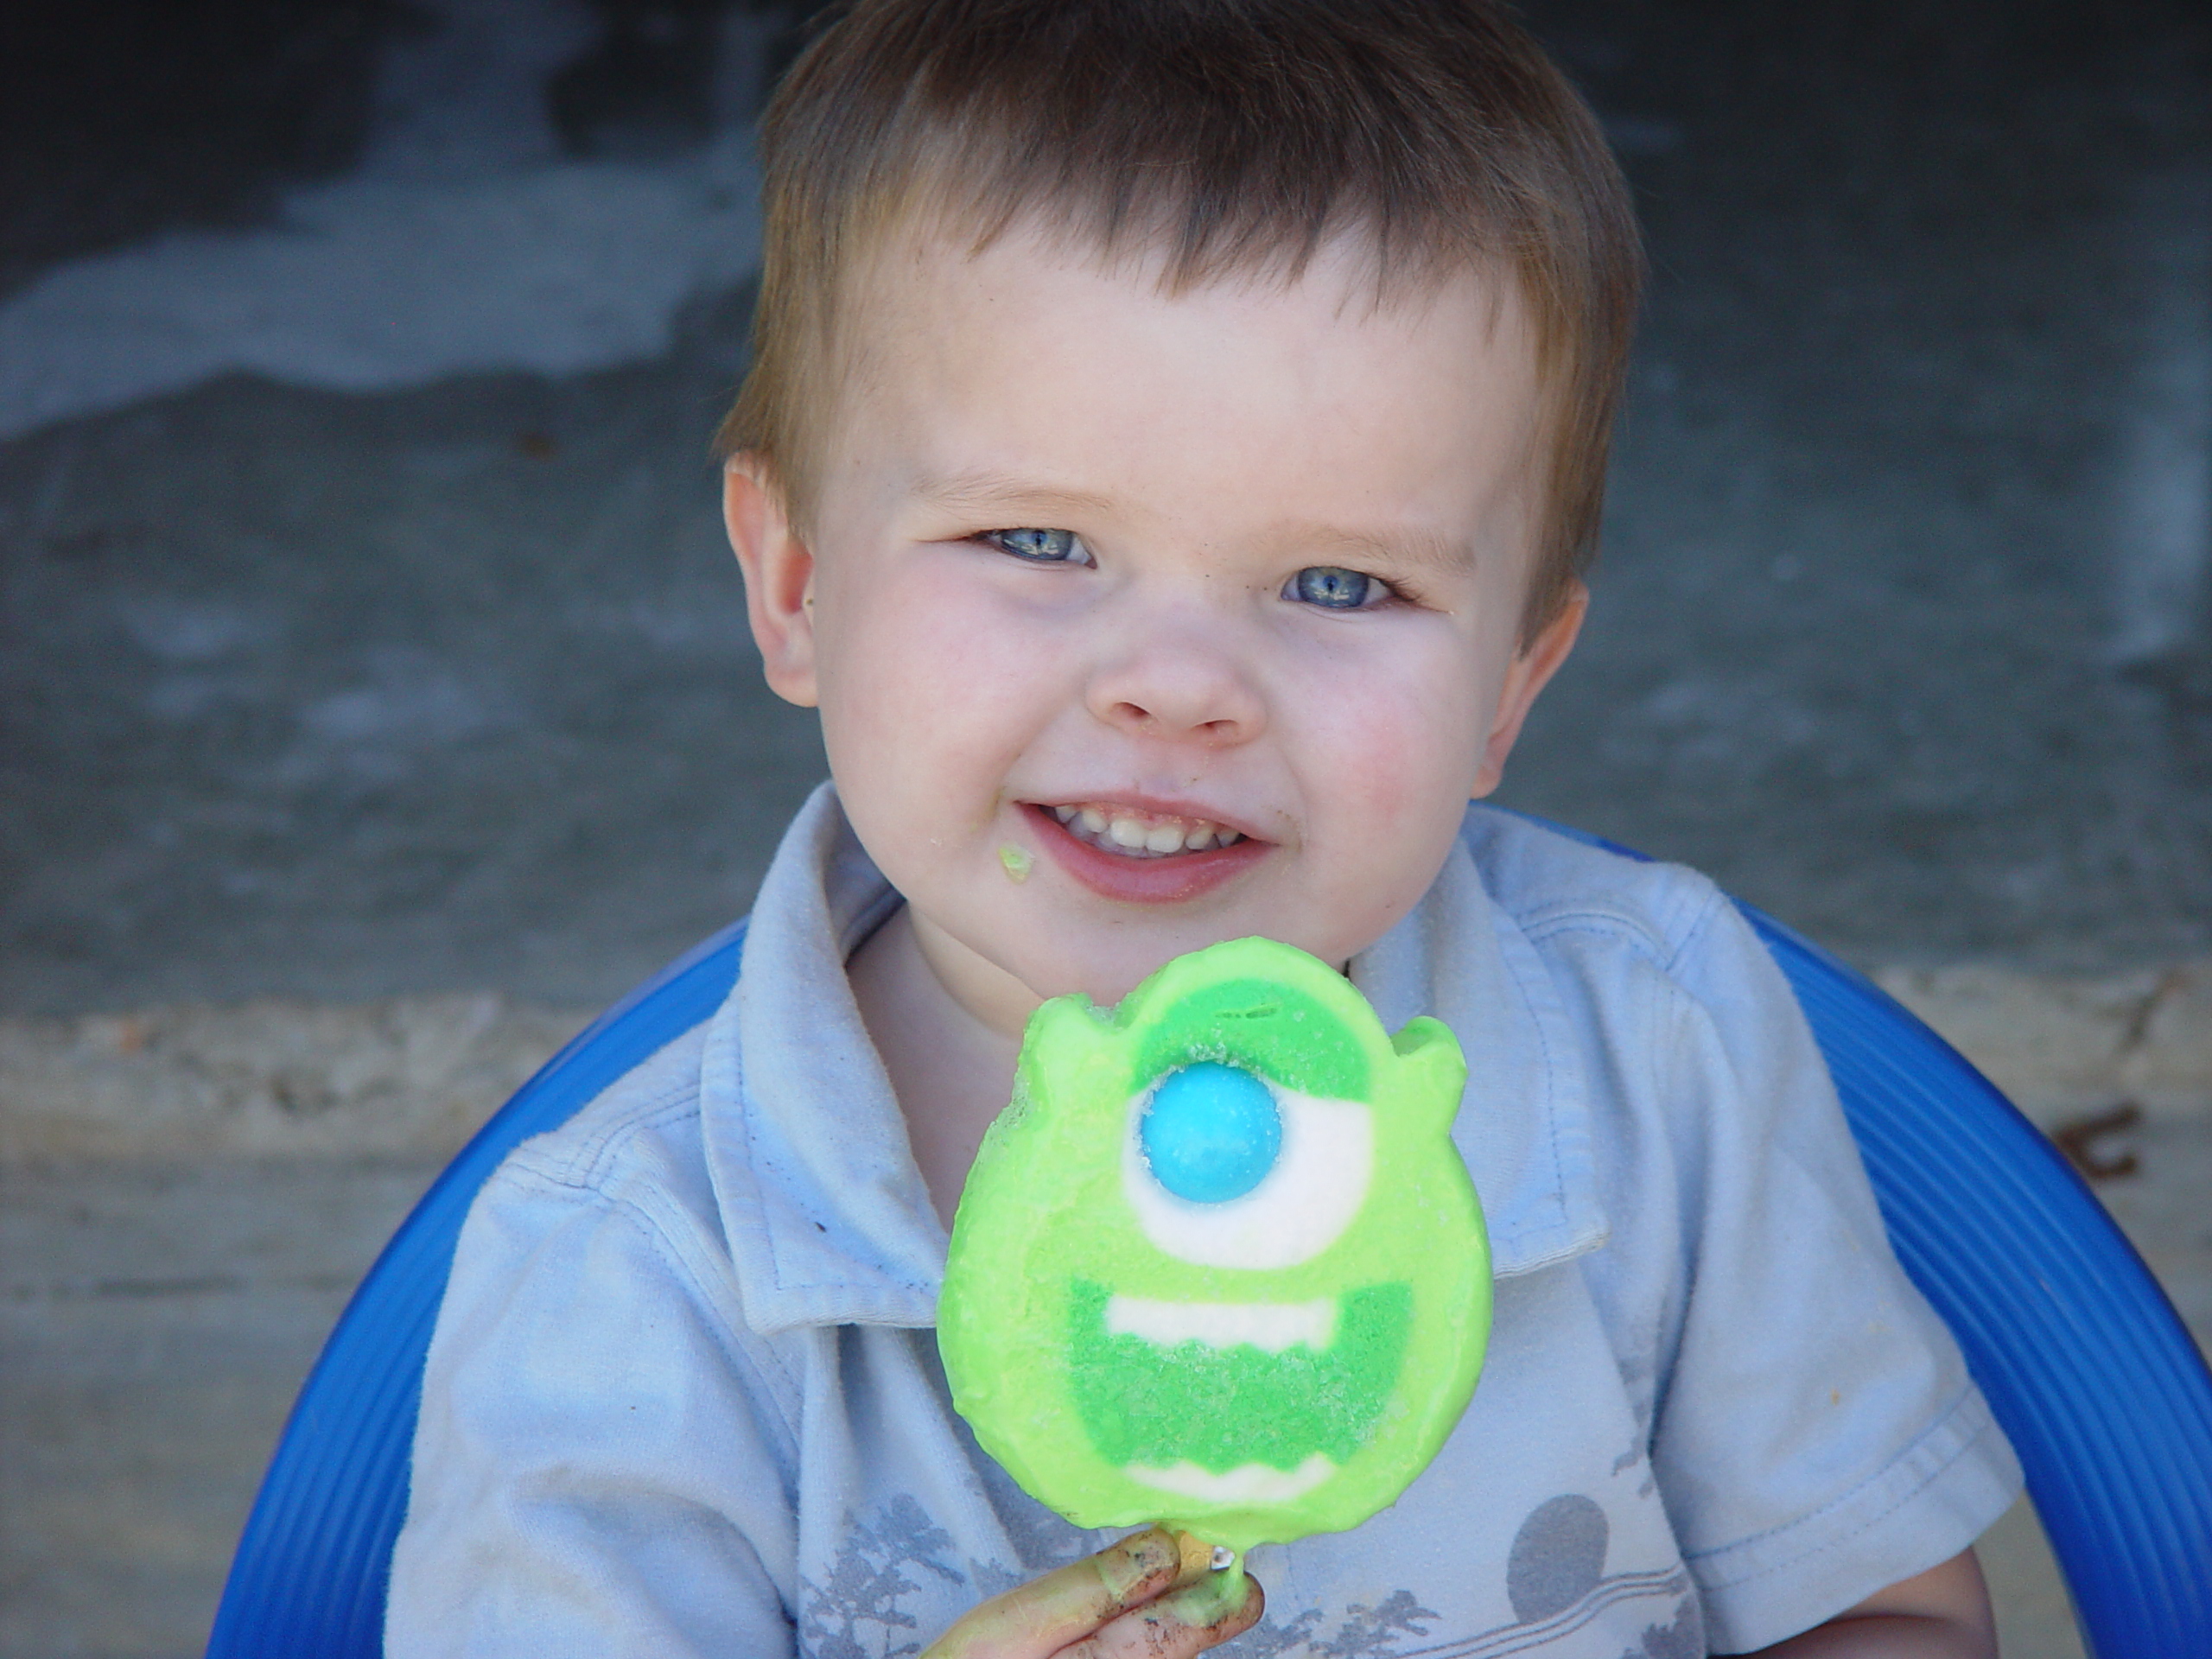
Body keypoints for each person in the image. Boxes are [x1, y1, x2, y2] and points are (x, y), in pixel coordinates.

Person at [385, 2, 2023, 1654]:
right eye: (1036, 539)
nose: (1179, 689)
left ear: (1511, 688)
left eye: (1338, 583)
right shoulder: (625, 1273)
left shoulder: (1656, 1047)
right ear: (799, 584)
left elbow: (1898, 1619)